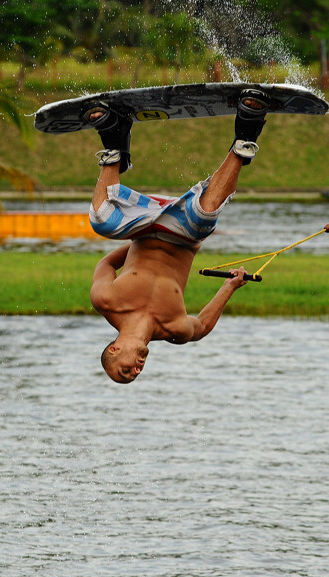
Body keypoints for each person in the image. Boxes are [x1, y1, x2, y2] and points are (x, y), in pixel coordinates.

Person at [87, 89, 270, 383]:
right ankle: (247, 129)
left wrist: (137, 242)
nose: (137, 370)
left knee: (100, 220)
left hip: (144, 226)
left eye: (126, 370)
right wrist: (231, 286)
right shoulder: (174, 329)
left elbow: (105, 266)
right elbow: (202, 326)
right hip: (183, 231)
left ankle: (113, 138)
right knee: (205, 217)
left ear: (115, 348)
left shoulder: (105, 300)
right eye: (135, 375)